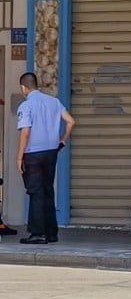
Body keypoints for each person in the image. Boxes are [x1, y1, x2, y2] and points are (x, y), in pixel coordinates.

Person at [16, 72, 75, 245]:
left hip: (33, 154)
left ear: (23, 88)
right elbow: (71, 121)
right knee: (48, 190)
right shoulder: (54, 102)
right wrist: (62, 140)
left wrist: (19, 158)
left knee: (36, 193)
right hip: (51, 152)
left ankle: (37, 233)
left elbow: (25, 133)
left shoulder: (26, 106)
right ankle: (51, 233)